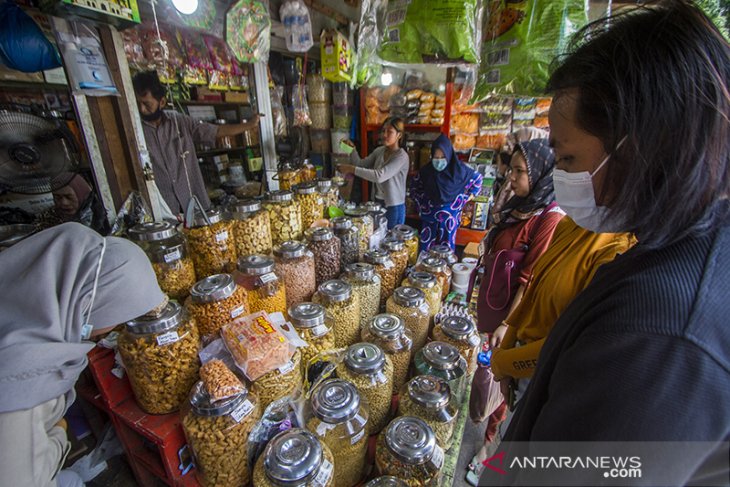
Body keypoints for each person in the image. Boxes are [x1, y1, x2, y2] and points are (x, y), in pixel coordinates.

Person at [487, 2, 730, 485]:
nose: (560, 178)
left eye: (569, 157)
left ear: (638, 145)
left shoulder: (659, 337)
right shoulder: (671, 247)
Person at [466, 215, 636, 485]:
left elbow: (565, 341)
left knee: (516, 451)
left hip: (544, 375)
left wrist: (507, 362)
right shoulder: (573, 225)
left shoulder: (616, 253)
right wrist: (508, 333)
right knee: (508, 432)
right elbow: (533, 290)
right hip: (519, 365)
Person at [0, 223, 166, 487]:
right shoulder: (20, 384)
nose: (114, 328)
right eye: (116, 316)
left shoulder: (21, 310)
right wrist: (56, 435)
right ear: (86, 302)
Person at [132, 71, 259, 214]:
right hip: (164, 211)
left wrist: (249, 125)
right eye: (138, 104)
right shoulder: (136, 131)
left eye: (147, 104)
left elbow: (214, 131)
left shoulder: (179, 121)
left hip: (194, 204)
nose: (142, 109)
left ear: (161, 102)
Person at [410, 134, 483, 251]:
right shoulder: (425, 172)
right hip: (429, 219)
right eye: (436, 157)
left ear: (449, 155)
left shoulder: (460, 171)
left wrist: (464, 199)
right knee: (426, 252)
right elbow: (414, 188)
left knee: (446, 254)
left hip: (449, 221)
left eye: (442, 157)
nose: (439, 161)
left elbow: (478, 179)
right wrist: (422, 204)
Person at [337, 117, 409, 229]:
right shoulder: (379, 151)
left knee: (391, 239)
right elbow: (360, 164)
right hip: (377, 203)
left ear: (399, 135)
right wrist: (352, 150)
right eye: (383, 131)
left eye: (389, 132)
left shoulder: (401, 156)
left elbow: (379, 176)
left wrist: (351, 169)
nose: (384, 135)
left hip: (394, 207)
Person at [36, 172, 110, 234]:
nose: (63, 203)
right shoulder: (47, 219)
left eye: (68, 197)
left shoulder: (101, 218)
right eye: (57, 197)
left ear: (81, 195)